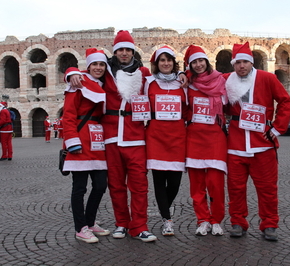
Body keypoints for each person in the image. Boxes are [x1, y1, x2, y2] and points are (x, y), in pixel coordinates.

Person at [68, 30, 160, 242]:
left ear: (133, 51)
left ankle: (139, 226)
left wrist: (183, 74)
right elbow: (86, 70)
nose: (125, 53)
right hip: (110, 137)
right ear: (115, 51)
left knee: (139, 185)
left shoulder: (144, 72)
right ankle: (121, 223)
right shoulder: (106, 71)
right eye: (120, 50)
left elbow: (165, 77)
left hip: (136, 136)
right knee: (116, 185)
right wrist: (71, 71)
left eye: (128, 49)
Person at [224, 42, 290, 241]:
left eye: (245, 62)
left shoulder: (267, 78)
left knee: (267, 188)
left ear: (251, 63)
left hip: (262, 143)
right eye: (237, 63)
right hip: (236, 144)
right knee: (235, 188)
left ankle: (269, 223)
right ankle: (237, 221)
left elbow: (285, 101)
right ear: (233, 64)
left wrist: (277, 127)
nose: (241, 66)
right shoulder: (227, 79)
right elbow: (204, 78)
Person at [63, 48, 110, 243]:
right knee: (79, 188)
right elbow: (69, 115)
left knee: (100, 185)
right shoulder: (78, 83)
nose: (98, 68)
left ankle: (90, 222)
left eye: (101, 64)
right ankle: (80, 227)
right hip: (80, 139)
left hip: (97, 140)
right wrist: (72, 141)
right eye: (95, 65)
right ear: (88, 66)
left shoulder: (104, 84)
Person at [183, 45, 227, 236]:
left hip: (216, 137)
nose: (198, 65)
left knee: (216, 184)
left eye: (201, 61)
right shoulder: (187, 84)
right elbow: (183, 109)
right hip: (194, 138)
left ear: (207, 61)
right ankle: (202, 219)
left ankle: (216, 219)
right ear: (190, 65)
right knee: (197, 185)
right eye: (194, 62)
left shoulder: (222, 80)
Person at [144, 46, 187, 236]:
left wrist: (186, 72)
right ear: (156, 63)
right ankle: (167, 218)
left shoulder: (183, 82)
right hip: (156, 135)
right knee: (159, 181)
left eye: (169, 60)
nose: (166, 63)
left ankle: (163, 210)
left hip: (178, 135)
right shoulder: (148, 83)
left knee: (175, 182)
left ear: (174, 63)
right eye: (162, 60)